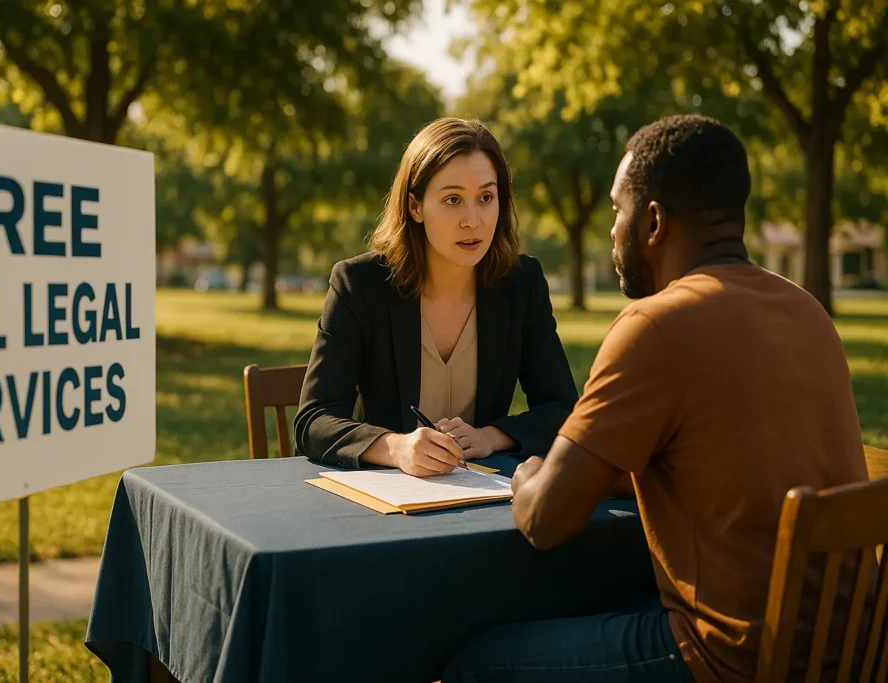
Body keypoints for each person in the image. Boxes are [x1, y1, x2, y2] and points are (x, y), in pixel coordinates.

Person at [442, 115, 871, 682]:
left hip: (726, 659)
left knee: (475, 664)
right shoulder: (806, 311)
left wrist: (528, 471)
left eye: (618, 210)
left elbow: (545, 518)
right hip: (842, 649)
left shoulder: (656, 326)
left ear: (652, 222)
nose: (611, 230)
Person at [293, 117, 579, 477]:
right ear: (415, 207)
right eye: (453, 200)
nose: (472, 220)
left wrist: (491, 437)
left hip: (485, 495)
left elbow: (564, 409)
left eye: (486, 198)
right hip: (386, 499)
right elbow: (313, 421)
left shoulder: (522, 284)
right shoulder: (359, 284)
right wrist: (396, 447)